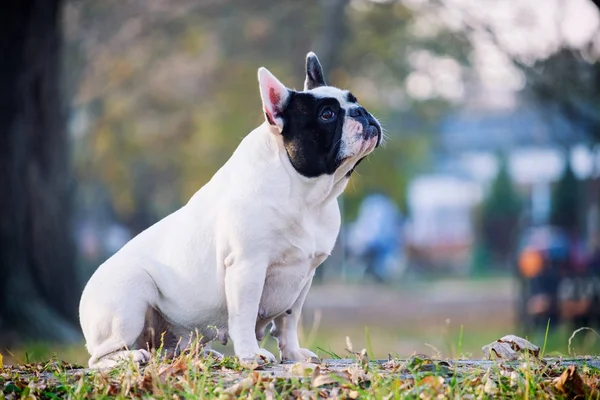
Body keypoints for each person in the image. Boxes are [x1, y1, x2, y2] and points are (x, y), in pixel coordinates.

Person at [347, 192, 403, 283]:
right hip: (377, 244)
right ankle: (378, 273)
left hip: (363, 242)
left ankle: (374, 273)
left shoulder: (368, 204)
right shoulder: (387, 207)